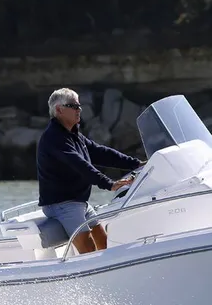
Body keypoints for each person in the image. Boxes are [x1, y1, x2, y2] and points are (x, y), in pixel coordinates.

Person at [37, 88, 145, 253]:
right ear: (59, 109)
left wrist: (136, 164)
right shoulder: (54, 138)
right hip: (63, 204)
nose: (79, 109)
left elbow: (101, 153)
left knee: (104, 243)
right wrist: (109, 184)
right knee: (89, 251)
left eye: (79, 106)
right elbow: (79, 165)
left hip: (79, 202)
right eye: (73, 106)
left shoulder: (73, 135)